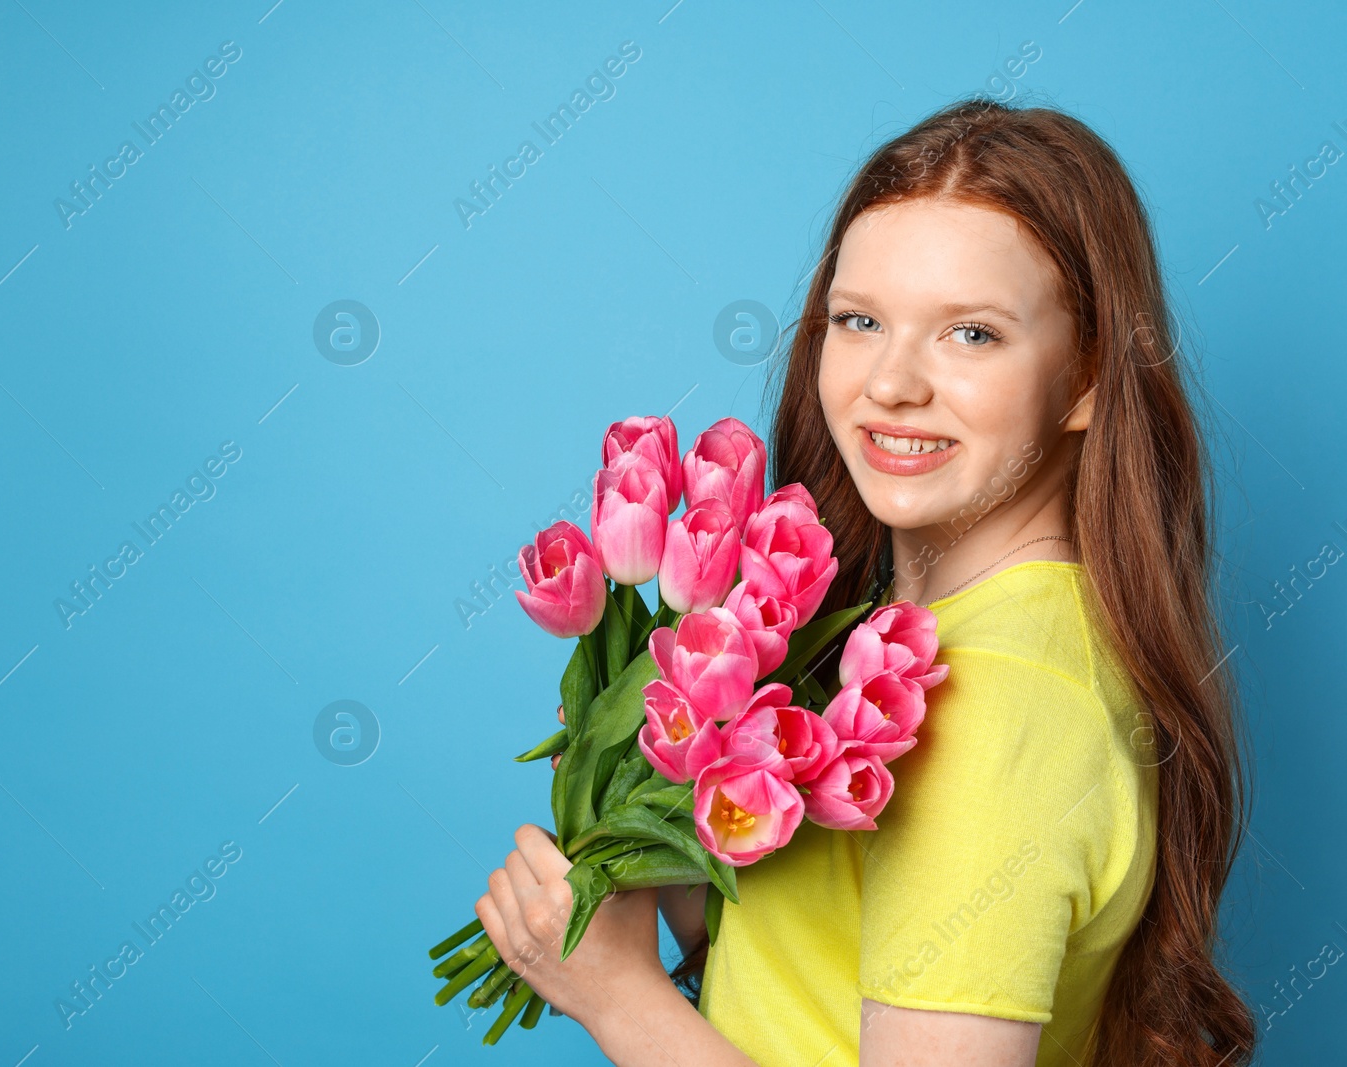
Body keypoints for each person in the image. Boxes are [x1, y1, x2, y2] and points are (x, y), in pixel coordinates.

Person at [472, 98, 1254, 1066]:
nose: (890, 383)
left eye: (970, 334)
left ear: (1088, 374)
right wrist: (657, 845)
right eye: (859, 319)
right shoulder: (925, 632)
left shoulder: (1000, 700)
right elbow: (823, 983)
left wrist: (618, 995)